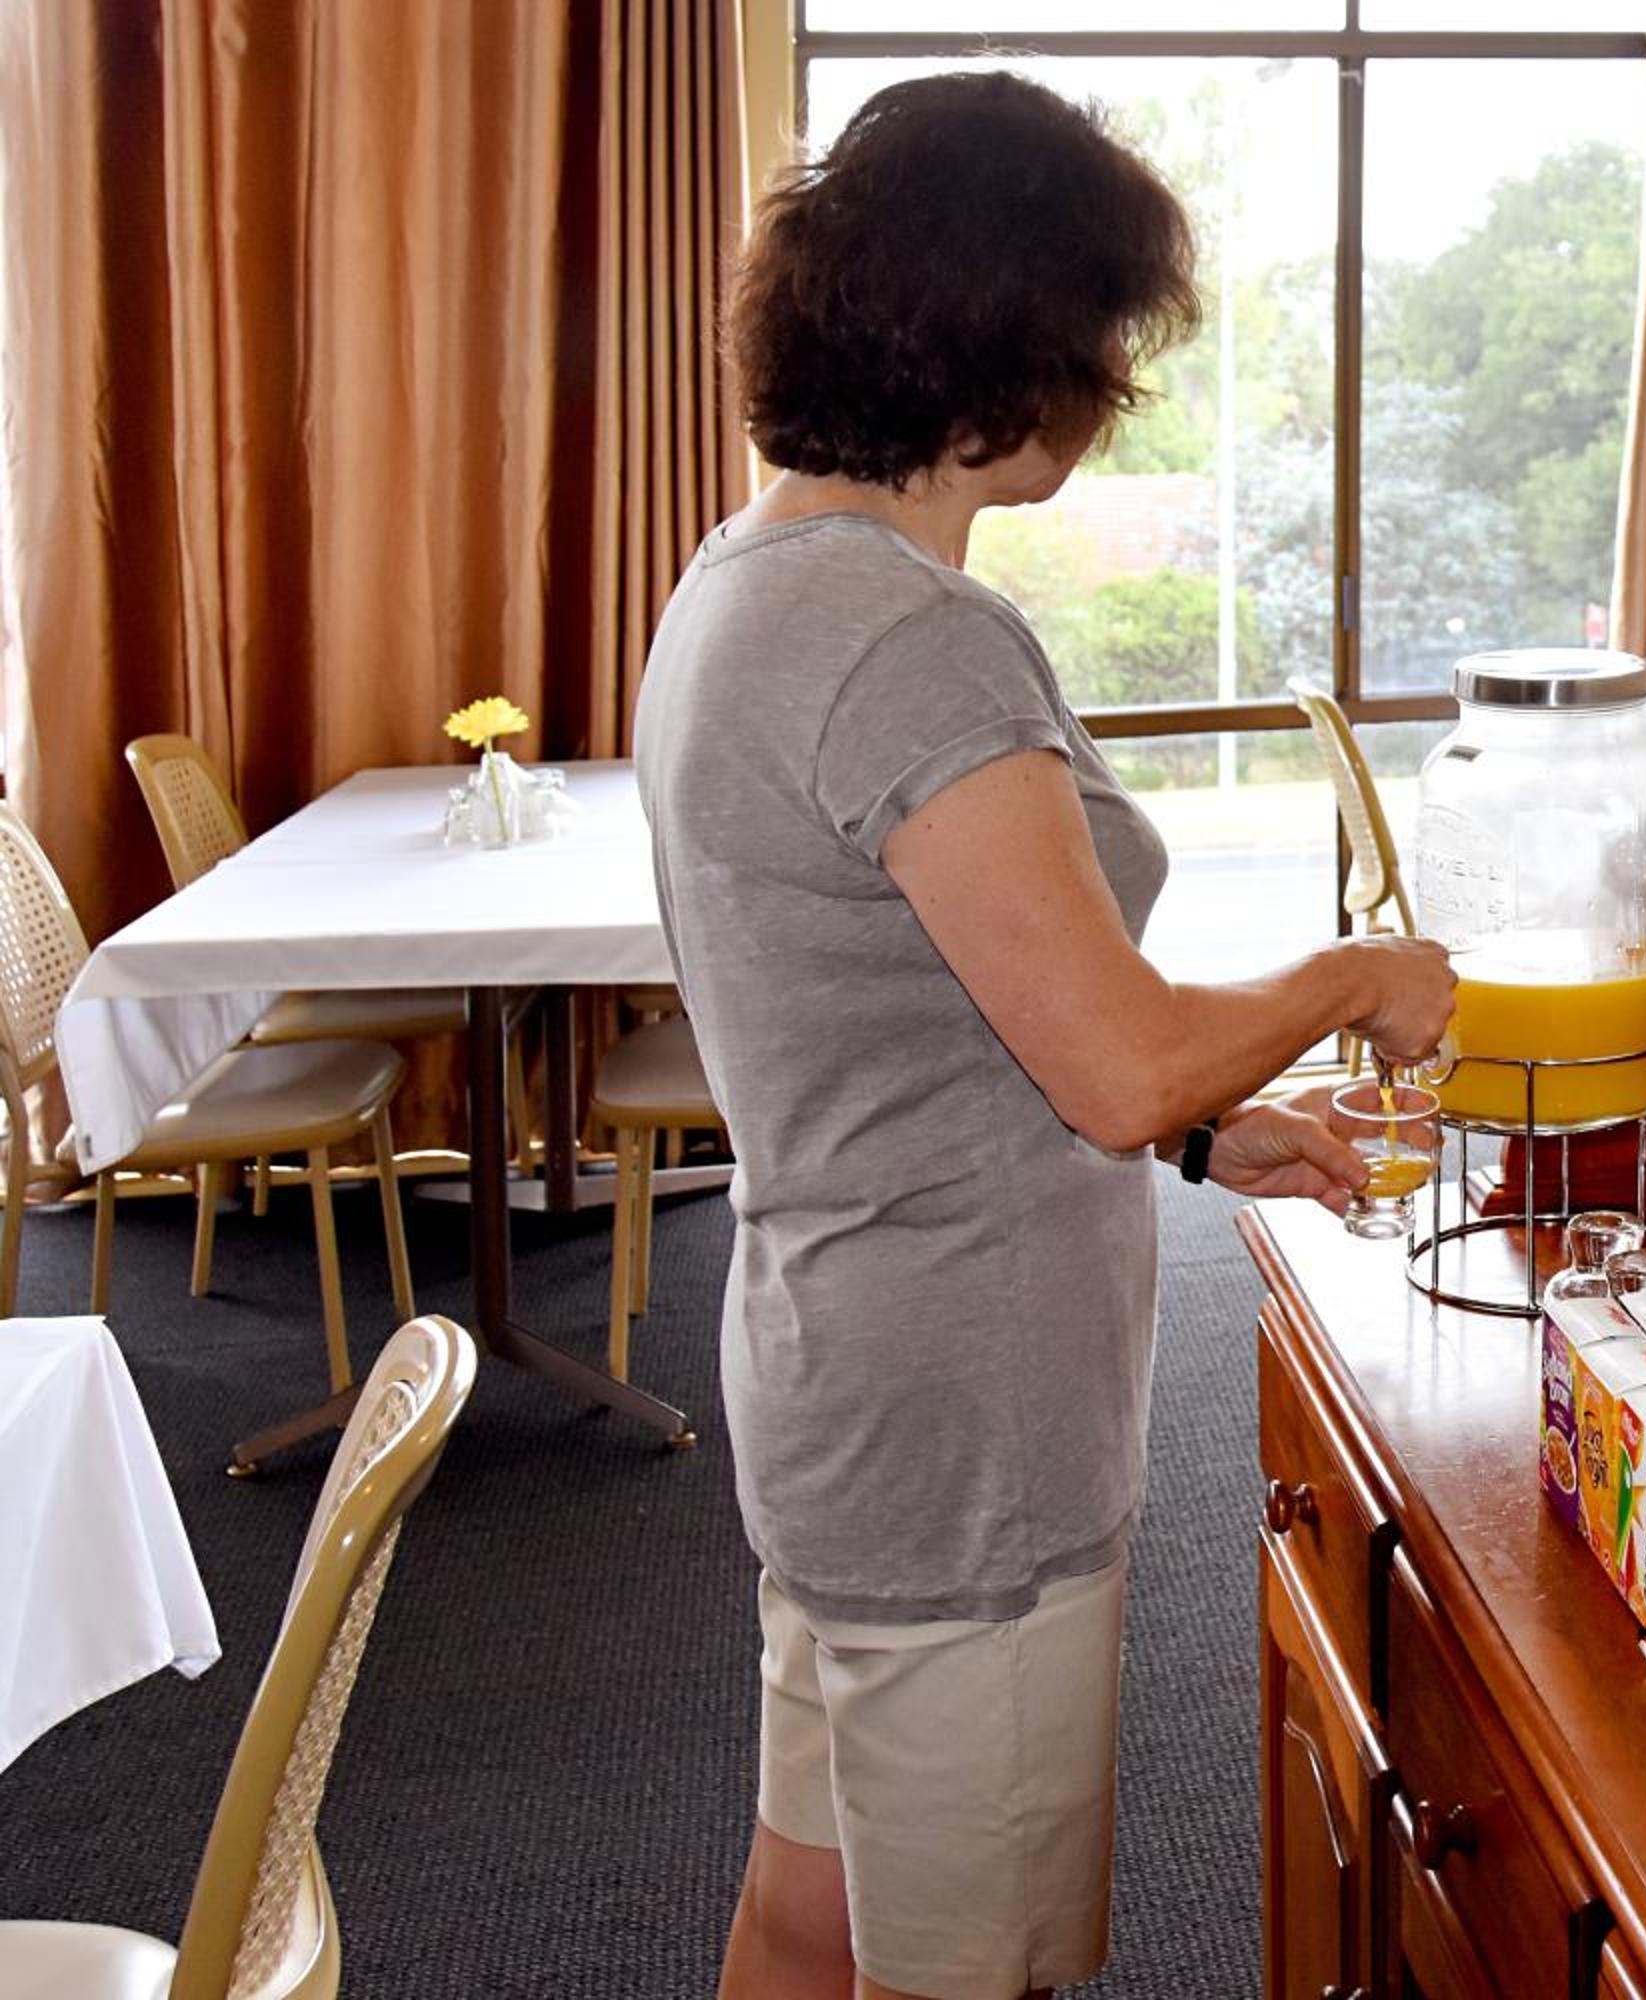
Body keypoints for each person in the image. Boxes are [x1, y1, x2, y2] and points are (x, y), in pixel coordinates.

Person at [635, 72, 1454, 2000]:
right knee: (962, 1965)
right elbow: (1115, 1056)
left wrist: (1202, 1133)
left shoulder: (750, 583)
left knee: (811, 1915)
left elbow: (921, 1012)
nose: (1112, 386)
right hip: (963, 1412)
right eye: (1100, 342)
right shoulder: (905, 640)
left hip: (846, 1363)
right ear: (1013, 344)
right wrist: (1354, 978)